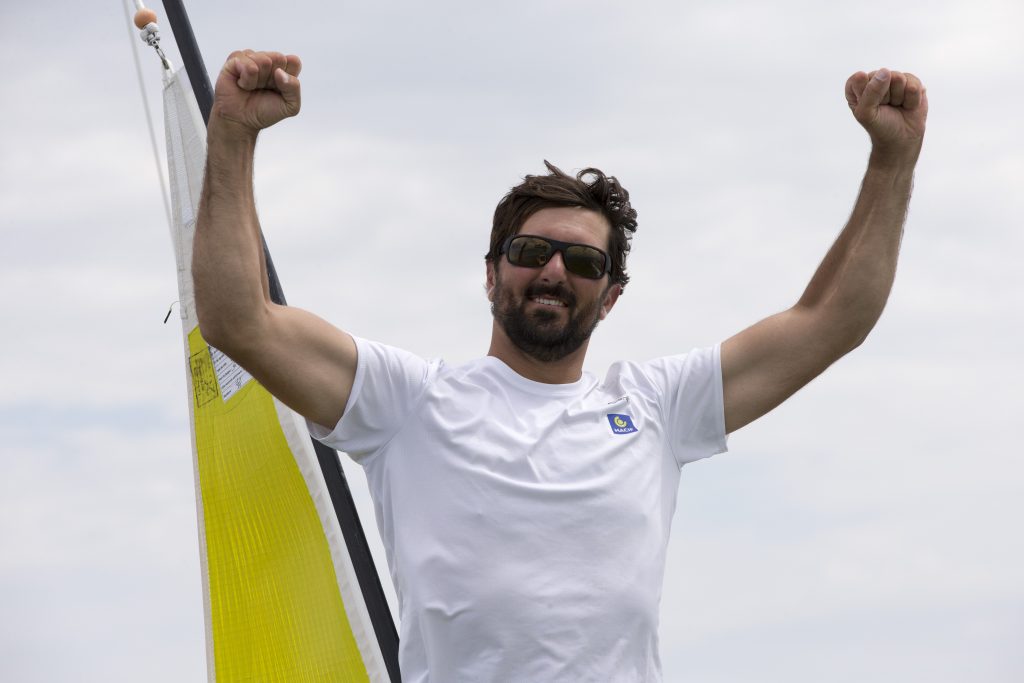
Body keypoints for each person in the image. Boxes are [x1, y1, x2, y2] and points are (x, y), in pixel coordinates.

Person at [193, 50, 927, 682]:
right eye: (528, 251)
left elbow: (830, 321)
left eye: (581, 260)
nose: (552, 270)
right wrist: (232, 131)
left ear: (609, 297)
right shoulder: (407, 402)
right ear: (490, 274)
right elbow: (239, 320)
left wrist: (892, 160)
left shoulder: (658, 406)